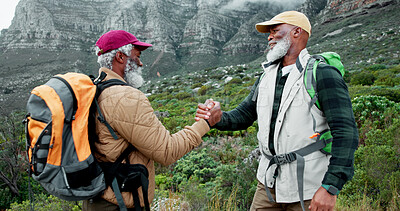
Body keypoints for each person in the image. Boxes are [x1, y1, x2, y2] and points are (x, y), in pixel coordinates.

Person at [195, 11, 358, 211]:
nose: (269, 37)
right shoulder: (266, 76)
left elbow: (346, 133)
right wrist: (218, 118)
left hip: (309, 188)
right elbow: (244, 115)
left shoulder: (323, 74)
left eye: (275, 31)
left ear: (297, 32)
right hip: (268, 184)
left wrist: (330, 187)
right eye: (269, 33)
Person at [82, 30, 210, 210]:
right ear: (120, 57)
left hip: (95, 198)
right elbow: (167, 151)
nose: (141, 63)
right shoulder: (126, 98)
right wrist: (206, 123)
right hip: (119, 203)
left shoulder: (93, 89)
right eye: (137, 56)